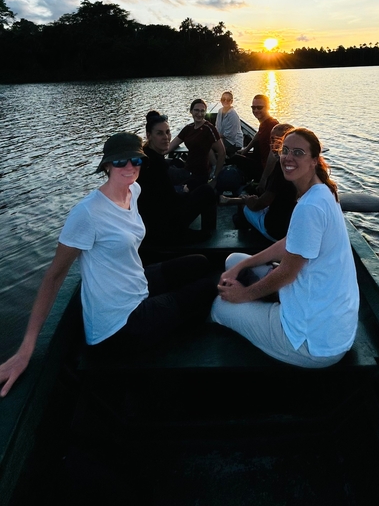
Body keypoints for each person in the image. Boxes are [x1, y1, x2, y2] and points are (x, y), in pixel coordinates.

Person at [0, 133, 217, 397]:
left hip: (137, 285)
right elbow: (54, 277)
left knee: (200, 263)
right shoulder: (87, 213)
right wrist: (26, 349)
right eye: (120, 161)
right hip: (119, 327)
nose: (129, 166)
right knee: (209, 287)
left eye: (136, 159)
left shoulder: (133, 190)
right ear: (106, 165)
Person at [211, 128, 359, 368]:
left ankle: (260, 310)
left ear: (314, 161)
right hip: (331, 321)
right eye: (285, 151)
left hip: (311, 343)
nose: (288, 158)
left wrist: (243, 296)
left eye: (298, 152)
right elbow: (290, 242)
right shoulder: (325, 193)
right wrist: (244, 264)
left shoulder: (309, 207)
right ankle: (264, 300)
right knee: (234, 260)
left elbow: (288, 273)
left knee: (220, 306)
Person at [137, 111, 217, 261]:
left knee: (195, 187)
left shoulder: (148, 156)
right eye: (160, 133)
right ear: (149, 135)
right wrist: (184, 193)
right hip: (164, 230)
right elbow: (169, 202)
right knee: (207, 191)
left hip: (154, 222)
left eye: (167, 132)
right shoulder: (154, 164)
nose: (166, 137)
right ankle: (210, 237)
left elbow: (162, 196)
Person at [221, 123, 297, 241]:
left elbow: (259, 204)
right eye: (271, 139)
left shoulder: (281, 170)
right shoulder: (300, 167)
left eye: (276, 140)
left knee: (244, 205)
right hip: (293, 228)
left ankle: (244, 236)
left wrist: (246, 200)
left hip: (276, 232)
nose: (272, 143)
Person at [168, 99, 225, 189]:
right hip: (187, 169)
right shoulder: (188, 128)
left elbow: (222, 152)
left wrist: (214, 178)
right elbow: (172, 145)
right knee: (164, 166)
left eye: (202, 111)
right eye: (196, 110)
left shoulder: (209, 128)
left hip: (199, 174)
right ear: (191, 111)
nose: (199, 114)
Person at [234, 94, 279, 181]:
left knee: (235, 159)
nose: (255, 110)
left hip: (266, 169)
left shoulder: (273, 126)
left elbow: (274, 155)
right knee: (236, 155)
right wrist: (246, 149)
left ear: (268, 107)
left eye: (259, 107)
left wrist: (264, 178)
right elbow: (258, 135)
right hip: (260, 161)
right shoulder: (264, 124)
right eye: (253, 107)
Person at [215, 91, 244, 157]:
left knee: (211, 144)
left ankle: (216, 163)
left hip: (234, 143)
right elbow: (217, 127)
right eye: (223, 99)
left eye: (228, 100)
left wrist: (215, 137)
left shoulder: (233, 115)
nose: (225, 101)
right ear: (221, 100)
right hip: (223, 138)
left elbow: (230, 135)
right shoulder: (220, 111)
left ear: (231, 101)